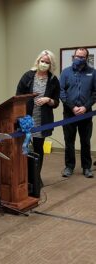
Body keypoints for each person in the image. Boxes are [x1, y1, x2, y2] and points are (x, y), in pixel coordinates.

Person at [16, 50, 60, 185]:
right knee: (24, 148)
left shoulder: (53, 80)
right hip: (26, 118)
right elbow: (18, 96)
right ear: (38, 61)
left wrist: (48, 99)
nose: (44, 64)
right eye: (42, 61)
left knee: (38, 148)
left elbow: (56, 101)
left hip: (43, 119)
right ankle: (25, 176)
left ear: (51, 64)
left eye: (47, 62)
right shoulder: (27, 76)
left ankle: (36, 176)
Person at [60, 47, 96, 178]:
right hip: (69, 113)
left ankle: (86, 167)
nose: (79, 59)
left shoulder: (92, 73)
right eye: (77, 56)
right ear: (73, 57)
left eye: (82, 57)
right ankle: (69, 166)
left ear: (86, 58)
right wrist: (72, 107)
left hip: (86, 113)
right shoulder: (65, 72)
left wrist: (85, 107)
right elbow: (62, 92)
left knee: (85, 141)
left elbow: (95, 93)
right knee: (69, 141)